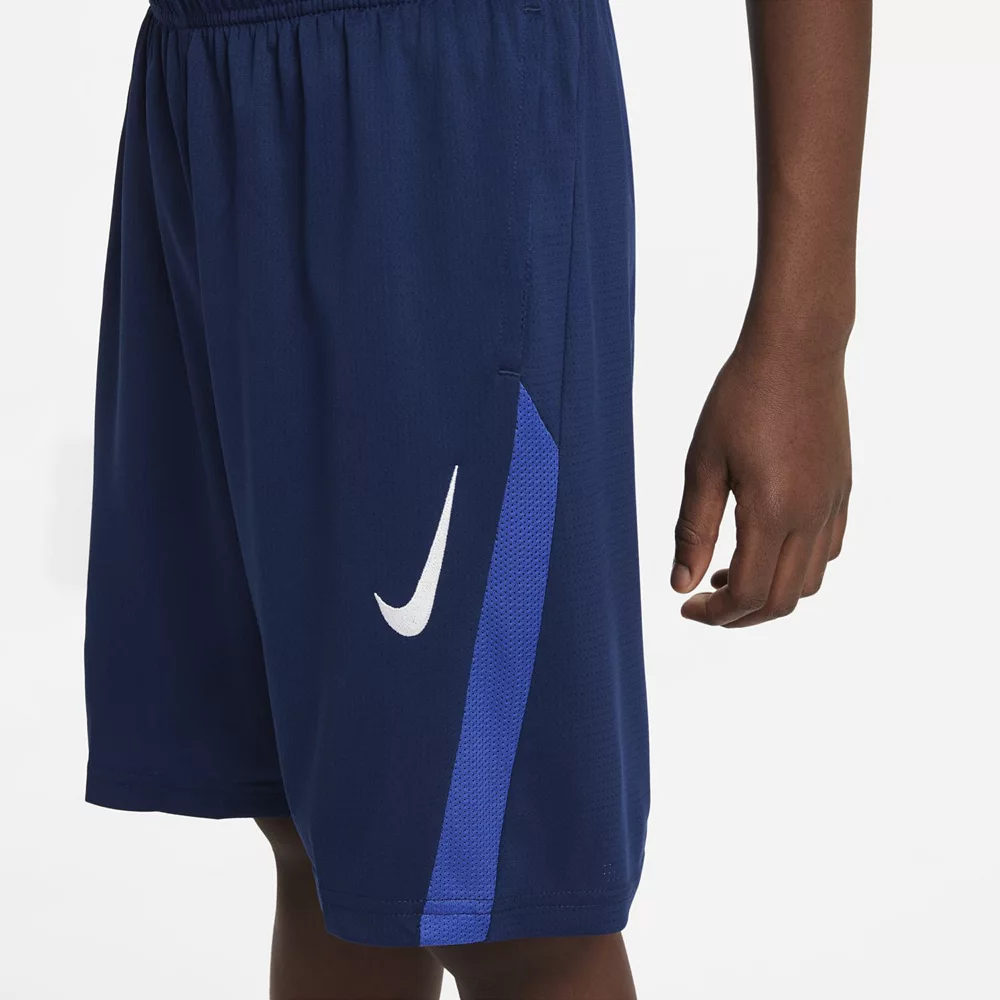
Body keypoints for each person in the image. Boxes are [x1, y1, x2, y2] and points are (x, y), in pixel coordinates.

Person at [83, 0, 870, 996]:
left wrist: (803, 334)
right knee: (325, 850)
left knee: (509, 903)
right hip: (205, 94)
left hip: (436, 104)